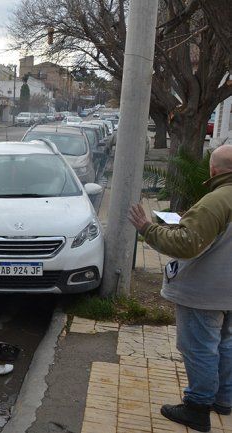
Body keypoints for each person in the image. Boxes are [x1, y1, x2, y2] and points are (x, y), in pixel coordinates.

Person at [128, 144, 232, 432]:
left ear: (213, 170)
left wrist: (147, 228)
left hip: (205, 291)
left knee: (199, 347)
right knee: (225, 343)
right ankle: (223, 400)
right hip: (229, 293)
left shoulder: (217, 200)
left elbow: (186, 245)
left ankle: (197, 408)